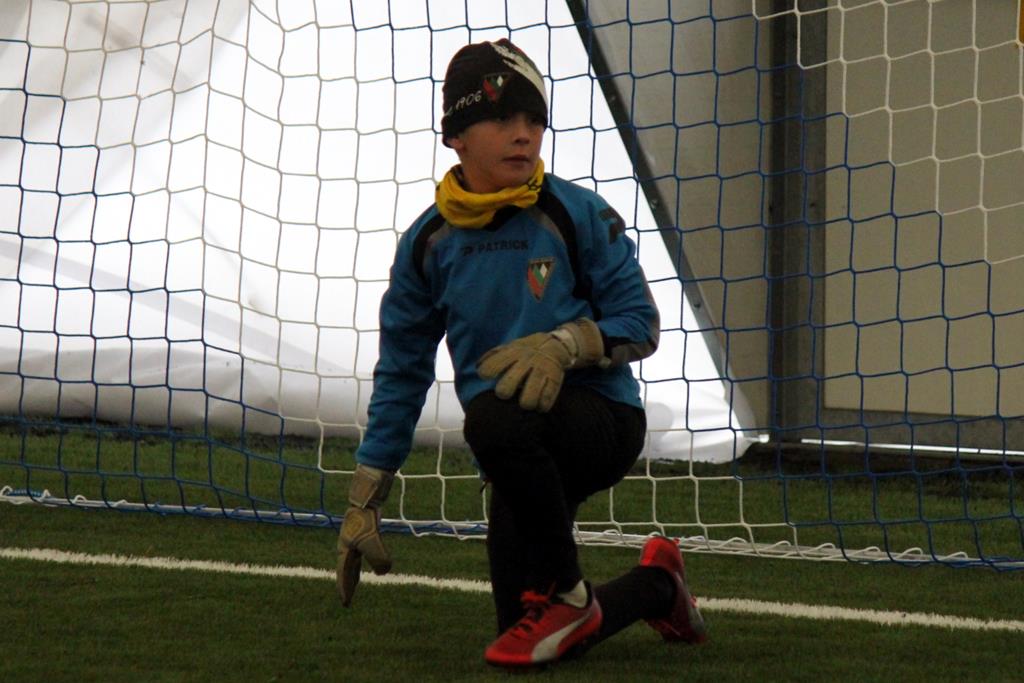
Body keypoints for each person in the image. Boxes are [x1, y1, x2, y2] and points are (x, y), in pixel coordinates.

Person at [335, 38, 707, 668]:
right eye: (502, 118)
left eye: (534, 119)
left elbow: (641, 323)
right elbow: (402, 370)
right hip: (512, 443)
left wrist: (568, 344)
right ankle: (657, 586)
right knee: (526, 633)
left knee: (490, 418)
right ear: (456, 135)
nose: (523, 134)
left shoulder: (576, 213)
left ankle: (568, 595)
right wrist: (366, 491)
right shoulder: (427, 243)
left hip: (601, 421)